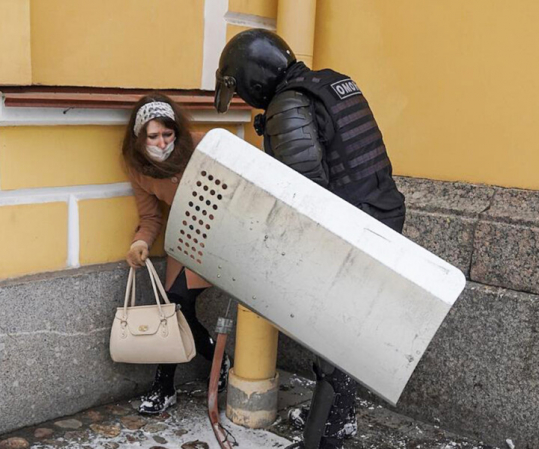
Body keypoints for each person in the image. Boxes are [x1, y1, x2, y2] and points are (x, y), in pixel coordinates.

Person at [214, 30, 406, 449]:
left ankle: (324, 439)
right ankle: (339, 419)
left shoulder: (289, 104)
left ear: (254, 79)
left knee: (330, 338)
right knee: (343, 335)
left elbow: (306, 197)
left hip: (351, 231)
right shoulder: (329, 82)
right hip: (379, 214)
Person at [122, 92, 230, 415]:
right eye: (153, 136)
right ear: (140, 137)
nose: (161, 142)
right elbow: (151, 217)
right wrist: (140, 242)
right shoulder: (139, 168)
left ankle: (164, 386)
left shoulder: (200, 145)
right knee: (176, 310)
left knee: (176, 307)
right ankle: (218, 360)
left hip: (217, 236)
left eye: (167, 134)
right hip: (183, 239)